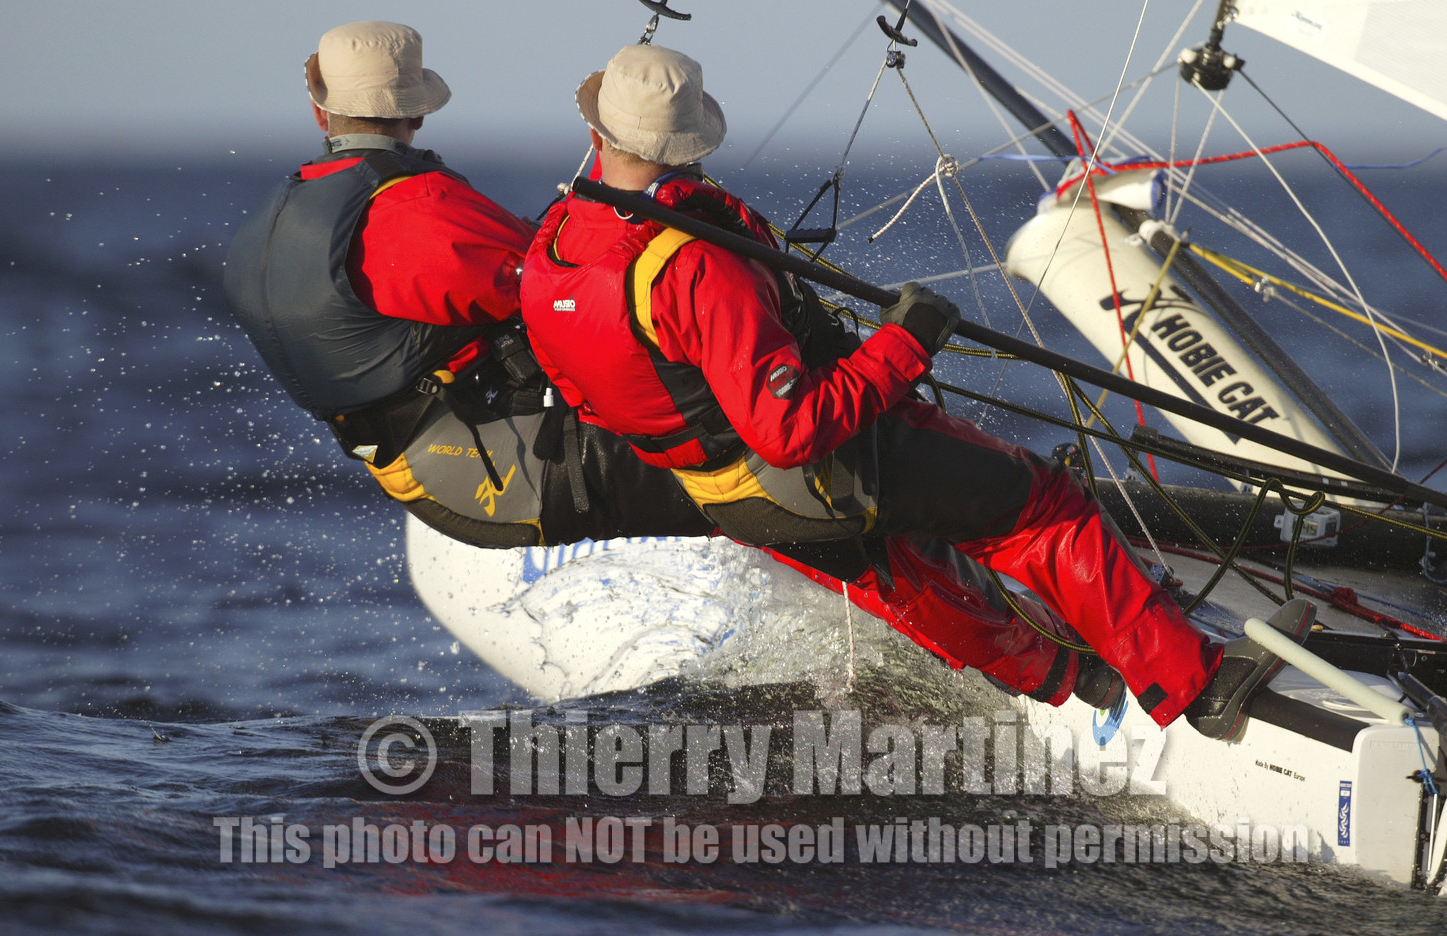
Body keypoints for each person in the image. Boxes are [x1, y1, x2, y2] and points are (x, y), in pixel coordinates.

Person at [221, 21, 1115, 708]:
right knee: (802, 484)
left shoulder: (279, 213)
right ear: (415, 111)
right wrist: (707, 284)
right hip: (507, 475)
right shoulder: (417, 212)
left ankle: (980, 586)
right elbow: (559, 288)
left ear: (319, 110)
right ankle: (1042, 673)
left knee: (755, 457)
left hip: (423, 471)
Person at [520, 43, 1316, 739]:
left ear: (597, 134)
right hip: (796, 472)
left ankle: (1064, 678)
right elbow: (790, 429)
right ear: (688, 144)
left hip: (716, 492)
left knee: (902, 559)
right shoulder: (692, 265)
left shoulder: (552, 243)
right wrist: (905, 342)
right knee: (1045, 504)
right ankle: (1201, 688)